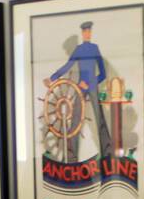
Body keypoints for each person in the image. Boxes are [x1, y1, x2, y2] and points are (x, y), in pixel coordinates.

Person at [45, 20, 112, 160]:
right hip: (79, 86)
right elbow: (67, 66)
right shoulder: (79, 49)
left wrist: (91, 83)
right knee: (75, 122)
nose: (87, 33)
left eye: (89, 31)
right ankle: (71, 157)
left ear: (90, 33)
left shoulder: (95, 48)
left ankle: (108, 154)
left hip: (92, 86)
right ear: (82, 33)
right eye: (85, 31)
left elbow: (103, 74)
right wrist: (52, 78)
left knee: (100, 118)